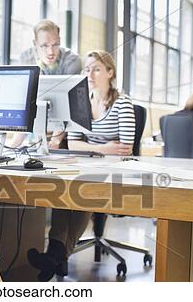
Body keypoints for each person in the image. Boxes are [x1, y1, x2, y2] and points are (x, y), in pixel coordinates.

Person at [27, 50, 136, 281]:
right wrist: (104, 148)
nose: (90, 74)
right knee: (64, 186)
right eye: (87, 69)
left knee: (85, 188)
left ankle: (56, 253)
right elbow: (74, 142)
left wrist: (93, 149)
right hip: (87, 162)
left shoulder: (122, 102)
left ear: (110, 72)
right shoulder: (81, 101)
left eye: (96, 69)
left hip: (114, 168)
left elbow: (125, 147)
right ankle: (57, 255)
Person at [12, 19, 82, 148]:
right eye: (44, 45)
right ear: (35, 43)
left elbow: (68, 105)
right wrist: (14, 143)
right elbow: (24, 100)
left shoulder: (72, 61)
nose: (51, 52)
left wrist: (55, 140)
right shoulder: (25, 59)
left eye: (55, 45)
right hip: (34, 127)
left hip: (62, 130)